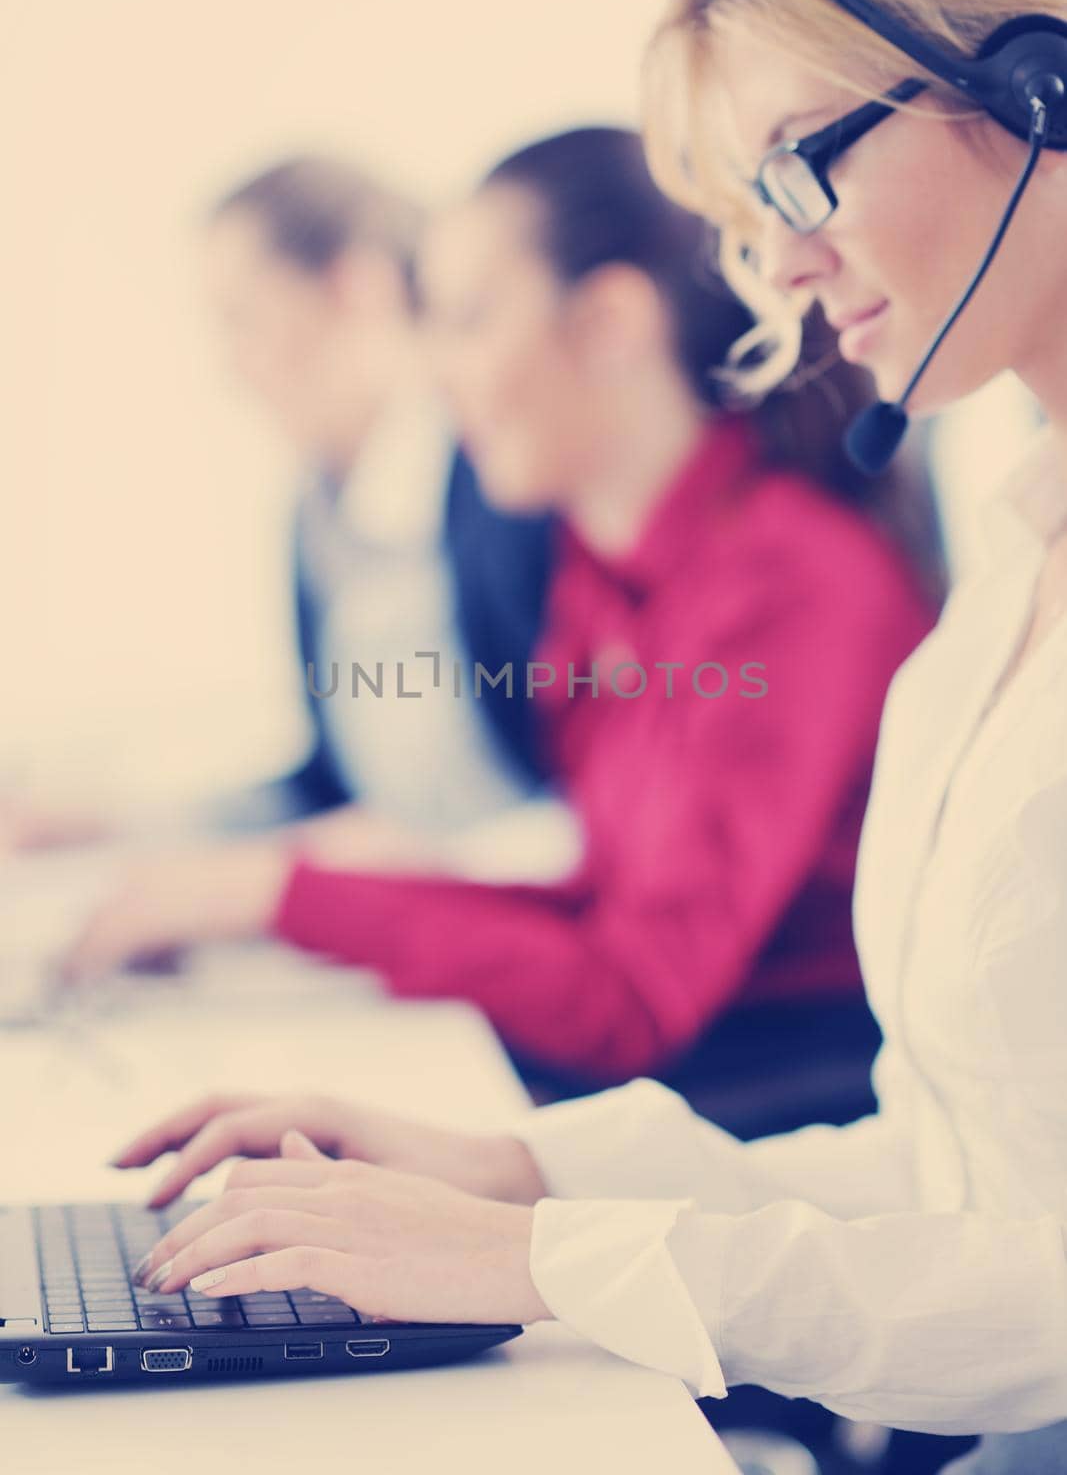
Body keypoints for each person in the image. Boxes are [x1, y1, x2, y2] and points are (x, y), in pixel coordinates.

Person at [106, 0, 1067, 1469]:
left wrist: (544, 1260)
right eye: (745, 208)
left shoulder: (819, 584)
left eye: (795, 166)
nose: (778, 265)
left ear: (1039, 88)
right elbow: (967, 1170)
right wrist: (517, 1179)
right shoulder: (1005, 589)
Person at [65, 128, 935, 1114]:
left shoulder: (791, 579)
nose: (437, 377)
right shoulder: (605, 572)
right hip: (688, 1084)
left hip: (782, 1110)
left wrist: (282, 894)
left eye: (469, 320)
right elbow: (597, 905)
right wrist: (271, 894)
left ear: (608, 320)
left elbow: (631, 999)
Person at [2, 155, 556, 856]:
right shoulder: (320, 518)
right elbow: (335, 794)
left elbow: (581, 801)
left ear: (358, 288)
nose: (230, 368)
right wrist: (116, 822)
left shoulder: (509, 479)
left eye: (243, 320)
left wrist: (394, 869)